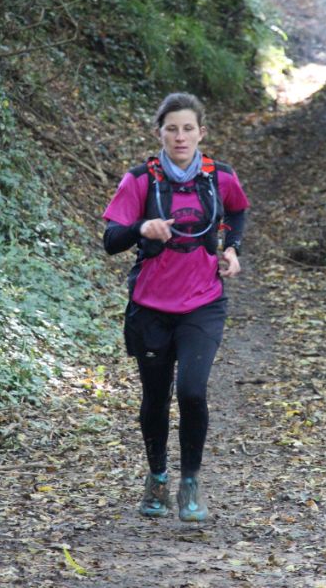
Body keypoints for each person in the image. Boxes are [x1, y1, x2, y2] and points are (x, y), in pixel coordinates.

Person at [103, 92, 249, 521]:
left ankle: (190, 483)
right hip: (150, 307)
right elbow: (110, 240)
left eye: (188, 129)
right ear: (160, 134)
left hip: (203, 303)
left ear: (201, 132)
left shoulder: (220, 176)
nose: (180, 136)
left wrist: (232, 248)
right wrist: (140, 228)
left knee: (191, 391)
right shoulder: (139, 181)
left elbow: (237, 212)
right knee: (155, 397)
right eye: (172, 129)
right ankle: (157, 478)